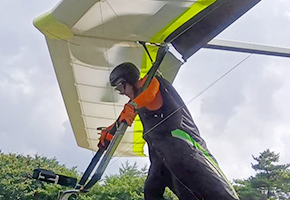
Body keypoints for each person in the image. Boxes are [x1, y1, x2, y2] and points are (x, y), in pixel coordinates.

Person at [99, 62, 237, 200]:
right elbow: (126, 115)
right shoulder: (137, 101)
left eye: (120, 87)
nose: (122, 93)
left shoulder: (151, 82)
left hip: (183, 147)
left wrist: (132, 106)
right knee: (152, 192)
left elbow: (149, 95)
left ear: (129, 81)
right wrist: (110, 132)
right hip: (160, 153)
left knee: (211, 190)